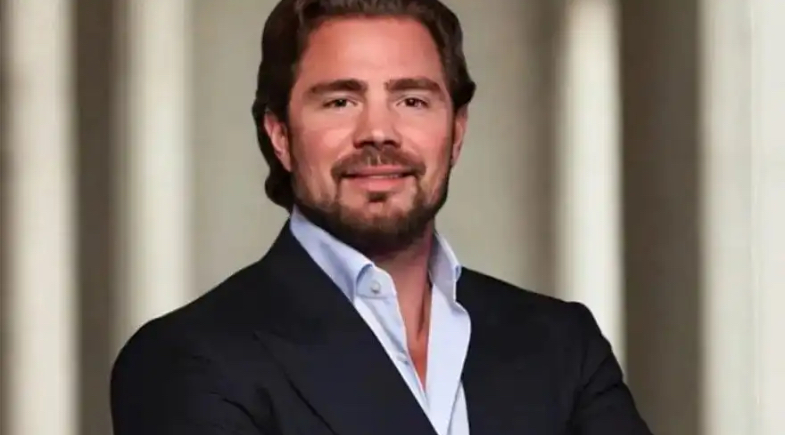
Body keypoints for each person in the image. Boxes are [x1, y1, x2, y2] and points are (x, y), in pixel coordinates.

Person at [110, 0, 652, 434]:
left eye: (412, 100)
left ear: (456, 131)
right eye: (340, 101)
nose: (378, 132)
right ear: (280, 136)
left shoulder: (563, 345)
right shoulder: (187, 360)